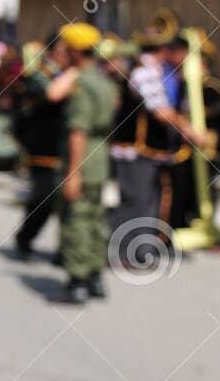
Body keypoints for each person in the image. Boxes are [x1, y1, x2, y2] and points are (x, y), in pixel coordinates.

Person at [110, 26, 208, 267]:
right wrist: (190, 130)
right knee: (136, 201)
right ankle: (124, 253)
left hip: (151, 151)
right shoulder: (144, 72)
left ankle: (139, 251)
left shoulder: (161, 71)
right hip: (135, 149)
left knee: (149, 201)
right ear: (165, 49)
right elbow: (160, 112)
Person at [56, 23, 118, 304]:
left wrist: (73, 172)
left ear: (74, 52)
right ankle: (95, 276)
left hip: (84, 155)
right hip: (101, 154)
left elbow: (78, 131)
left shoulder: (81, 84)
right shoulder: (105, 81)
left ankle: (77, 280)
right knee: (95, 217)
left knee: (77, 219)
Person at [12, 33, 77, 260]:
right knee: (44, 199)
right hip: (44, 146)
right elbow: (50, 95)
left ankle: (65, 250)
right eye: (63, 49)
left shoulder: (70, 75)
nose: (67, 54)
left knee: (68, 202)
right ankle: (25, 237)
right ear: (53, 51)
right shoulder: (41, 75)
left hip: (66, 146)